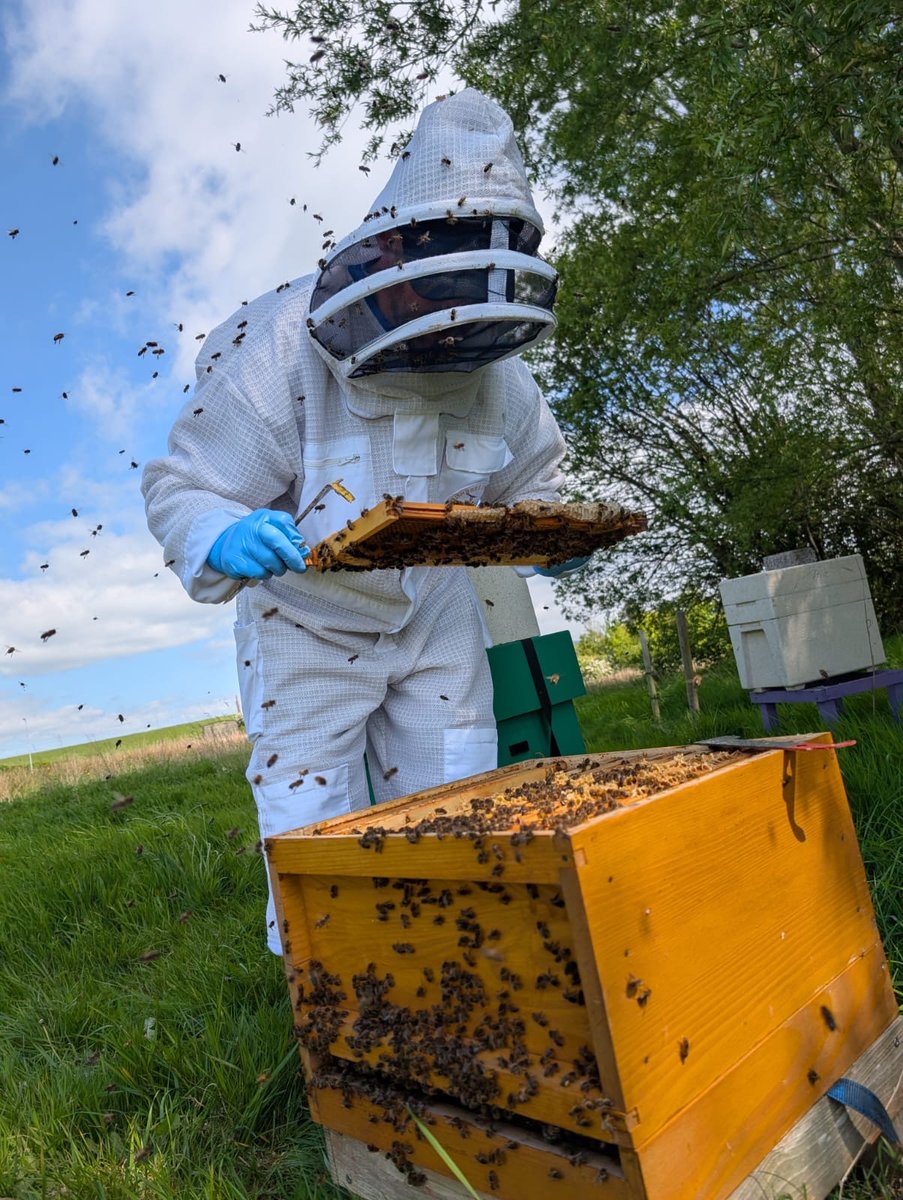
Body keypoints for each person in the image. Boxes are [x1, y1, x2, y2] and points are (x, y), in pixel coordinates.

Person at [142, 88, 584, 954]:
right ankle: (331, 987)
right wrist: (216, 533)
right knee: (312, 822)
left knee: (463, 797)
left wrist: (550, 536)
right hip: (305, 620)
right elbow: (184, 485)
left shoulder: (500, 376)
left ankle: (466, 959)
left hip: (435, 613)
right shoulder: (277, 350)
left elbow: (533, 485)